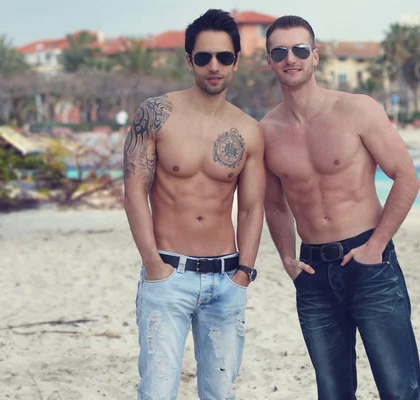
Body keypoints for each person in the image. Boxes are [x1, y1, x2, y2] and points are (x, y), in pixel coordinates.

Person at [260, 15, 420, 400]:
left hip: (370, 263)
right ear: (269, 61)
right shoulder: (265, 132)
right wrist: (286, 256)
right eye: (279, 51)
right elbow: (273, 203)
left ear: (315, 56)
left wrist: (377, 244)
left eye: (300, 49)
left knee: (399, 388)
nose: (290, 58)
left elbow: (406, 178)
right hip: (313, 273)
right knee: (332, 393)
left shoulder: (357, 110)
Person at [123, 9, 265, 400]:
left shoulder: (249, 130)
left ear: (236, 61)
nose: (213, 66)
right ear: (189, 61)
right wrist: (153, 264)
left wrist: (244, 274)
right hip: (168, 273)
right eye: (203, 57)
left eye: (223, 57)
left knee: (220, 393)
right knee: (157, 391)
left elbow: (253, 207)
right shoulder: (155, 115)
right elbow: (134, 191)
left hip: (226, 277)